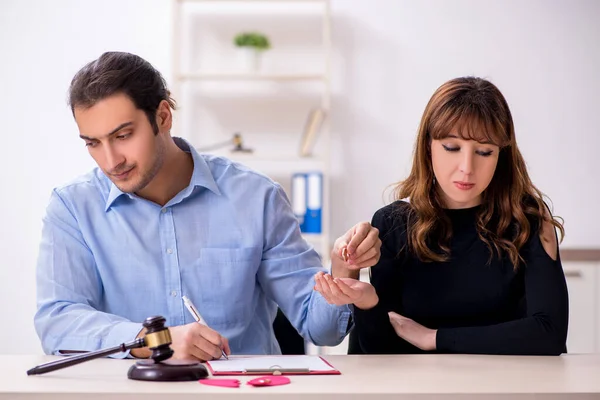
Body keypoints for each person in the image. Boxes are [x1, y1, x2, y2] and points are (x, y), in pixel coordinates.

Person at [34, 51, 382, 361]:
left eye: (123, 136)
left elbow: (320, 329)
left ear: (163, 116)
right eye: (93, 143)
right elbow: (58, 322)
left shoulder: (256, 198)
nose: (110, 161)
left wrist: (342, 272)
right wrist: (151, 341)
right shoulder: (72, 208)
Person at [314, 76, 569, 355]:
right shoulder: (393, 223)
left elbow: (549, 333)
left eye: (485, 152)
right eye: (451, 148)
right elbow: (379, 354)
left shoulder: (527, 219)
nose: (467, 168)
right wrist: (368, 302)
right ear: (428, 146)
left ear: (501, 156)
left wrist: (434, 338)